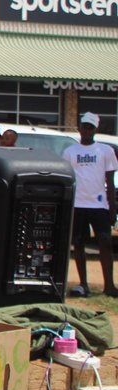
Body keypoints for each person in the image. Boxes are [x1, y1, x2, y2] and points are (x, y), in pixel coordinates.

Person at [64, 111, 118, 298]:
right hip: (77, 204)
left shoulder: (105, 151)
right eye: (84, 126)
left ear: (95, 129)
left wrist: (113, 208)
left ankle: (109, 285)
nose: (86, 130)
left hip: (99, 205)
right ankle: (83, 284)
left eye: (90, 127)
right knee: (78, 243)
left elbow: (110, 181)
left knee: (105, 241)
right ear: (79, 128)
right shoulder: (70, 152)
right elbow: (67, 179)